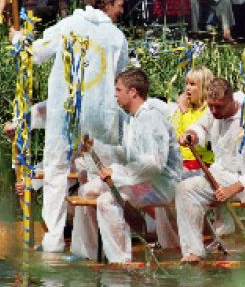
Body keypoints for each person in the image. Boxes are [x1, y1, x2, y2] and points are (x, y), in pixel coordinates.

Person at [19, 0, 129, 253]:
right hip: (98, 115)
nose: (122, 10)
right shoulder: (116, 37)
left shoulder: (69, 25)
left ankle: (54, 239)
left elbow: (33, 53)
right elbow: (121, 77)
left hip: (66, 113)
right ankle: (97, 246)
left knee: (57, 171)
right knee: (94, 174)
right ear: (106, 3)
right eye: (119, 5)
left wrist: (18, 39)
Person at [72, 68, 183, 263]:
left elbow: (154, 164)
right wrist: (93, 148)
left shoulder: (151, 118)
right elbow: (128, 155)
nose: (115, 95)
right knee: (86, 191)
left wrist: (116, 173)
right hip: (142, 179)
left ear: (132, 92)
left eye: (118, 90)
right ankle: (90, 253)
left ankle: (121, 260)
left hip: (161, 184)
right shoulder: (134, 119)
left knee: (107, 201)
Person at [175, 77, 245, 263]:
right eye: (210, 106)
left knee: (187, 190)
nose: (213, 111)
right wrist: (191, 135)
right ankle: (195, 250)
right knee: (181, 186)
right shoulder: (213, 110)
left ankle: (206, 243)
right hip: (218, 176)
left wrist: (233, 188)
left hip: (243, 182)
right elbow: (201, 127)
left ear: (231, 100)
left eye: (218, 107)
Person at [170, 66, 215, 178]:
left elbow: (196, 136)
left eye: (192, 84)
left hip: (202, 164)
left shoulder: (210, 110)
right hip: (182, 162)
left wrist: (185, 111)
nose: (187, 88)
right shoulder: (185, 109)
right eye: (186, 84)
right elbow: (175, 134)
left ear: (204, 88)